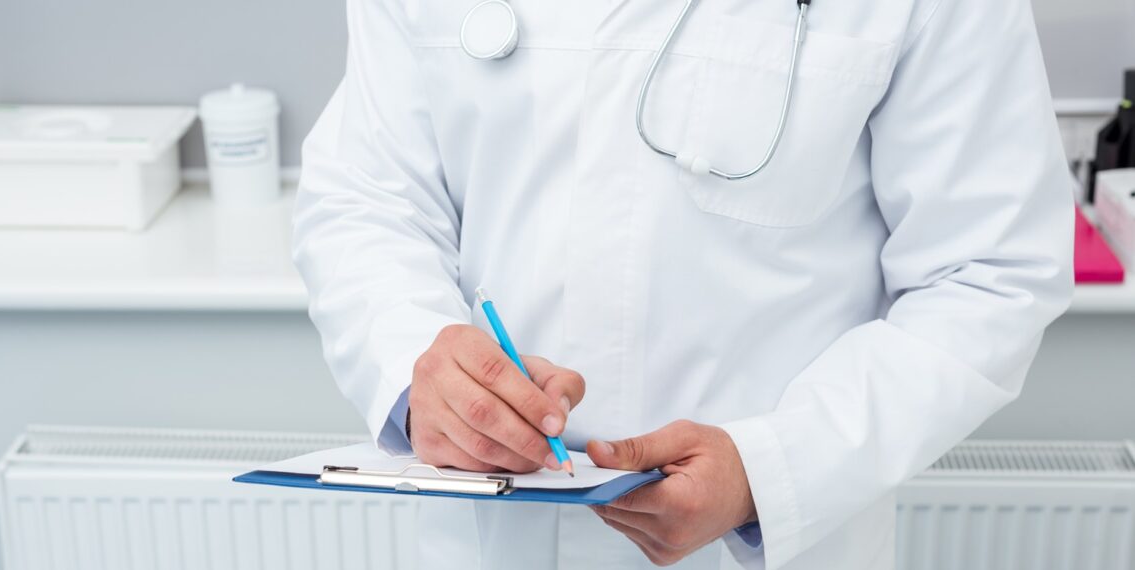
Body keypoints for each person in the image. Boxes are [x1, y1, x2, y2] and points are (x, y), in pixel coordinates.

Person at [292, 0, 1073, 567]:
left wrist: (772, 467)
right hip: (487, 534)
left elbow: (988, 272)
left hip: (768, 543)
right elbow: (367, 199)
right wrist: (415, 365)